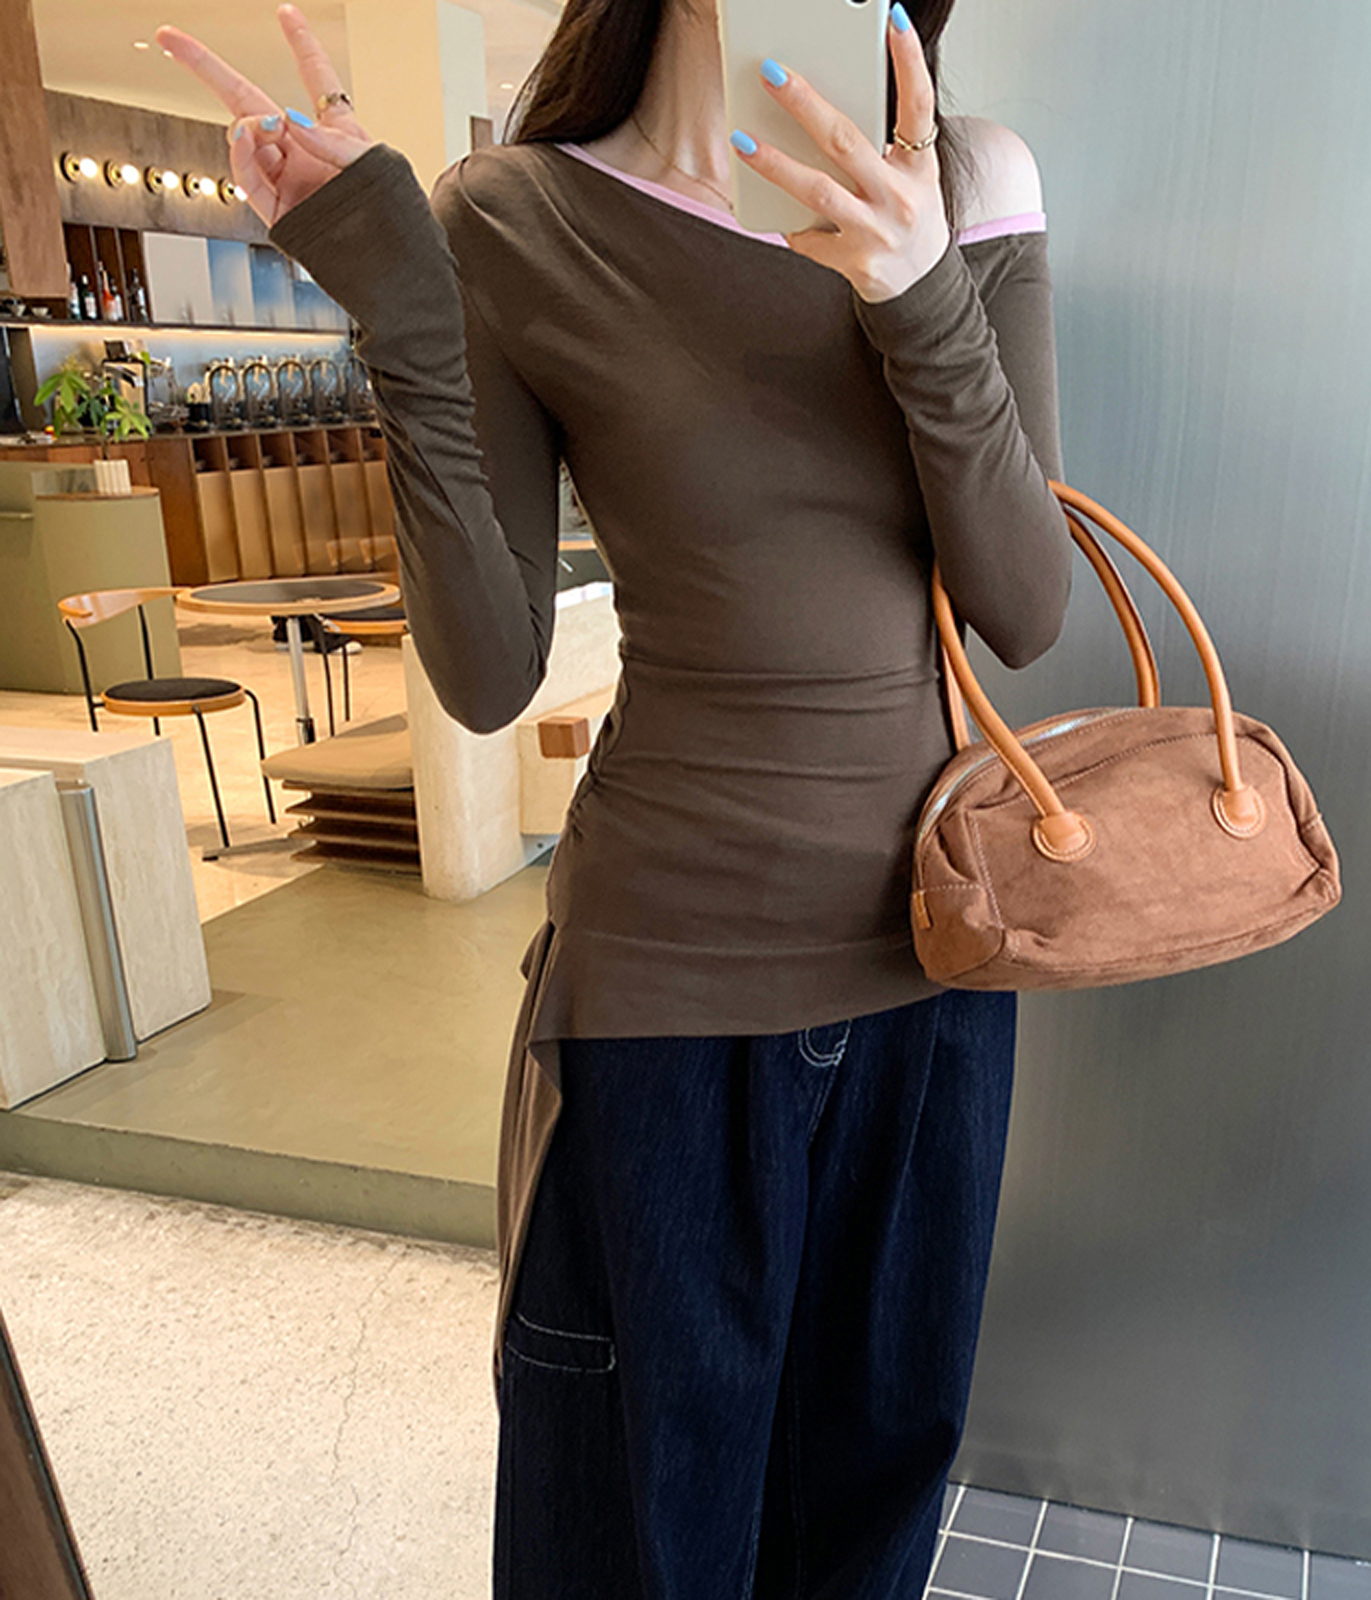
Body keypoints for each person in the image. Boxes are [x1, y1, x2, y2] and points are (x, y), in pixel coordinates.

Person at [158, 1, 1071, 1593]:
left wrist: (921, 289)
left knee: (869, 1519)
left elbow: (1026, 605)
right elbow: (488, 670)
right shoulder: (519, 217)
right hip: (669, 994)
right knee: (642, 1535)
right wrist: (401, 306)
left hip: (940, 971)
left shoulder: (970, 178)